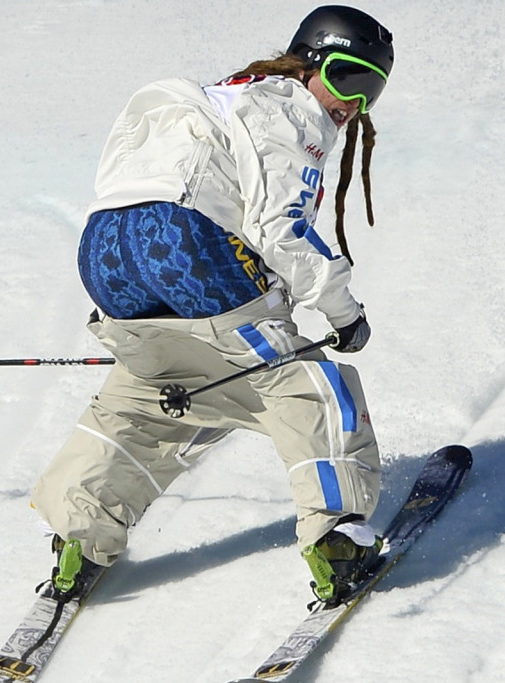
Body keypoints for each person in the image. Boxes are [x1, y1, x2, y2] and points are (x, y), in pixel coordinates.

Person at [30, 5, 394, 605]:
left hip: (103, 251)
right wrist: (342, 311)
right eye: (348, 79)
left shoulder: (219, 100)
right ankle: (338, 537)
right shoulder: (287, 109)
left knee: (153, 389)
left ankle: (79, 532)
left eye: (371, 91)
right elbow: (282, 230)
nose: (352, 105)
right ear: (308, 65)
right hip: (184, 242)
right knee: (301, 384)